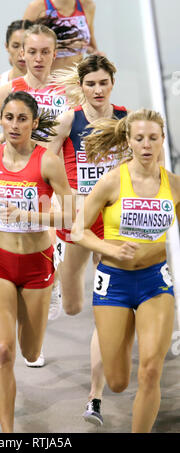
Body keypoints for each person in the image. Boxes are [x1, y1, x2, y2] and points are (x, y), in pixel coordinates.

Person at [0, 91, 75, 433]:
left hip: (38, 264)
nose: (14, 125)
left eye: (22, 118)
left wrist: (30, 214)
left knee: (29, 351)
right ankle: (7, 435)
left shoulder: (47, 162)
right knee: (1, 352)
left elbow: (72, 216)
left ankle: (49, 293)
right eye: (8, 118)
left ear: (34, 123)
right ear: (1, 121)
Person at [71, 108, 178, 433]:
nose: (147, 145)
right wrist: (111, 248)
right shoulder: (113, 180)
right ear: (128, 141)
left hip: (155, 284)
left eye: (153, 138)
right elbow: (78, 230)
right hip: (114, 283)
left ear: (162, 141)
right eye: (140, 138)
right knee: (117, 381)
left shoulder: (173, 185)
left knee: (149, 371)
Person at [47, 54, 129, 425]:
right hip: (77, 221)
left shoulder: (125, 120)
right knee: (73, 307)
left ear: (112, 83)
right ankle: (59, 275)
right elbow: (45, 165)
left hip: (110, 221)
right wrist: (61, 202)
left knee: (104, 307)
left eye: (103, 83)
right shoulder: (69, 119)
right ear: (81, 87)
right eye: (91, 84)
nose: (97, 90)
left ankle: (94, 398)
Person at [23, 0, 101, 70]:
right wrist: (67, 45)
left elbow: (90, 45)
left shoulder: (87, 5)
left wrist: (95, 53)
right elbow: (24, 44)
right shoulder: (37, 7)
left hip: (75, 77)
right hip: (48, 77)